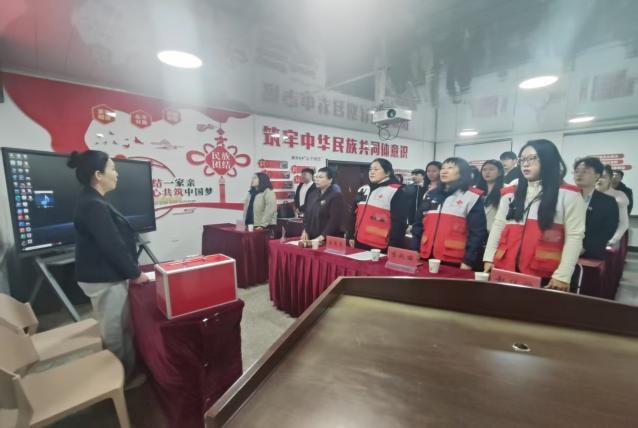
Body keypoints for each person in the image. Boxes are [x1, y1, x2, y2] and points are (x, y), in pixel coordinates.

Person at [68, 150, 148, 386]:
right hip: (104, 278)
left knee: (122, 327)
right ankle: (118, 382)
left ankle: (126, 372)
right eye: (112, 169)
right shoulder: (93, 205)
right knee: (113, 332)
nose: (116, 173)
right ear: (98, 175)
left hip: (108, 275)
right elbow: (112, 245)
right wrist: (135, 273)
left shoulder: (93, 200)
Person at [484, 140, 586, 292]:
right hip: (505, 268)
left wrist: (563, 275)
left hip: (545, 274)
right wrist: (489, 257)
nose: (526, 164)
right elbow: (498, 225)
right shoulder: (511, 192)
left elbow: (574, 236)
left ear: (549, 159)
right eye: (523, 159)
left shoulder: (569, 194)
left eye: (532, 158)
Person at [415, 157, 487, 269]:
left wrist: (468, 260)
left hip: (454, 259)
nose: (444, 171)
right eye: (443, 168)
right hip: (425, 255)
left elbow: (477, 233)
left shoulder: (472, 196)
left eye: (450, 168)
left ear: (462, 172)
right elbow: (418, 225)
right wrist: (415, 249)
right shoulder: (430, 194)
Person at [348, 158, 409, 250]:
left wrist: (393, 245)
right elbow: (353, 214)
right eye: (370, 169)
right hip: (359, 241)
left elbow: (399, 222)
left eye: (376, 169)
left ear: (387, 172)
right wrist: (350, 235)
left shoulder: (396, 191)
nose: (372, 172)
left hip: (382, 246)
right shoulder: (363, 189)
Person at [573, 157, 618, 260]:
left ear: (597, 175)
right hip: (562, 250)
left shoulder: (608, 202)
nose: (579, 174)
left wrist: (585, 248)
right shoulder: (565, 196)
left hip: (590, 254)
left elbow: (608, 230)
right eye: (576, 171)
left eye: (585, 171)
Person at [300, 167, 346, 244]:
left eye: (320, 177)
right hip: (311, 237)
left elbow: (334, 221)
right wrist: (305, 230)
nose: (317, 180)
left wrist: (321, 237)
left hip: (327, 239)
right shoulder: (312, 194)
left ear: (330, 180)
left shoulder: (336, 195)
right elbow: (307, 215)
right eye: (316, 177)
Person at [596, 165, 629, 248]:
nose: (599, 179)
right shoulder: (587, 194)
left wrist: (612, 241)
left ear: (610, 179)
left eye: (603, 177)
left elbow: (623, 223)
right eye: (596, 176)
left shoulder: (619, 196)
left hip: (609, 239)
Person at [475, 160, 504, 232]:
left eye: (491, 169)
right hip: (476, 231)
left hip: (495, 231)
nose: (487, 172)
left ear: (500, 173)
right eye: (484, 170)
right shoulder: (475, 190)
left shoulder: (505, 190)